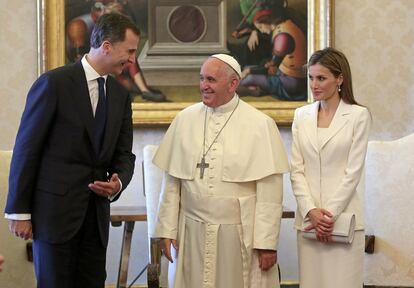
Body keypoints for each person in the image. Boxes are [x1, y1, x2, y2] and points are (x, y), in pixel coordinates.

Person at [4, 13, 137, 288]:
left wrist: (118, 182)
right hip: (54, 216)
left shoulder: (121, 96)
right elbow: (27, 148)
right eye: (130, 50)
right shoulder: (54, 83)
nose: (133, 59)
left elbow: (125, 154)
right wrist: (19, 211)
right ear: (108, 45)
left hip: (95, 220)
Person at [153, 54, 289, 287]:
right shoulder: (184, 120)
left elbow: (270, 193)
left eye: (211, 80)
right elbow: (172, 182)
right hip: (191, 230)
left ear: (233, 84)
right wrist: (166, 229)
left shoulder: (260, 124)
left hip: (237, 235)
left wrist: (266, 243)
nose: (203, 85)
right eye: (202, 78)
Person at [290, 47, 371, 288]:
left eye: (321, 78)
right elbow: (296, 170)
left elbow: (353, 173)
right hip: (308, 224)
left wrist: (328, 216)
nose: (314, 84)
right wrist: (311, 212)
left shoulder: (358, 116)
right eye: (311, 78)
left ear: (340, 79)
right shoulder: (301, 115)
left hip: (343, 222)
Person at [238, 3, 307, 101]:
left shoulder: (282, 37)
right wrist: (248, 70)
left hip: (291, 82)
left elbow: (272, 67)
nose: (261, 31)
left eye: (261, 27)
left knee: (249, 78)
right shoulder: (285, 25)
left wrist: (249, 72)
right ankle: (254, 90)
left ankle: (251, 91)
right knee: (247, 69)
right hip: (284, 74)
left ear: (267, 21)